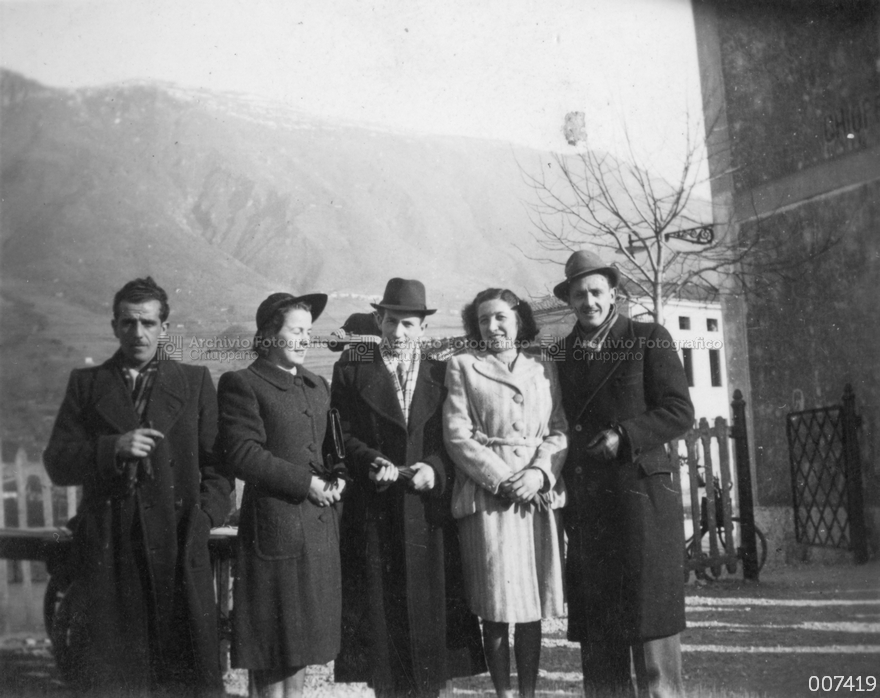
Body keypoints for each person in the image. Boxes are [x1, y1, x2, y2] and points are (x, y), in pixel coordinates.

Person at [43, 276, 232, 697]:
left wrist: (202, 520)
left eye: (148, 322)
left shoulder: (194, 381)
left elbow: (218, 468)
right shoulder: (87, 385)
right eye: (128, 323)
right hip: (112, 551)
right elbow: (57, 462)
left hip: (178, 546)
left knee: (182, 678)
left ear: (165, 327)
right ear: (114, 326)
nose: (138, 333)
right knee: (117, 678)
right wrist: (113, 447)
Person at [331, 277, 485, 698]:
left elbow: (455, 437)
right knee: (385, 631)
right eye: (391, 322)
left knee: (433, 628)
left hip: (429, 516)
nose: (398, 333)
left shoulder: (444, 371)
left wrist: (435, 469)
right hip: (376, 511)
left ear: (423, 328)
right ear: (379, 320)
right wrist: (370, 462)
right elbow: (341, 435)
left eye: (408, 324)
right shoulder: (350, 369)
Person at [552, 250, 694, 698]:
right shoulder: (560, 354)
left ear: (612, 292)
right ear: (570, 301)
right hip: (591, 507)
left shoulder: (648, 337)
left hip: (642, 505)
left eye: (596, 292)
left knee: (652, 636)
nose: (589, 302)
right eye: (579, 295)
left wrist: (624, 435)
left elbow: (678, 411)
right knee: (601, 647)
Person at [215, 292, 346, 698]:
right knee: (273, 649)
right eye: (296, 331)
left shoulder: (316, 385)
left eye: (309, 331)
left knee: (301, 647)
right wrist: (306, 483)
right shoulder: (243, 383)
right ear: (269, 334)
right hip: (274, 534)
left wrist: (339, 476)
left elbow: (333, 449)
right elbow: (242, 453)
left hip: (318, 536)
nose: (305, 339)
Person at [443, 288, 568, 698]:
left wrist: (537, 475)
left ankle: (528, 693)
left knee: (530, 606)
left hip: (536, 497)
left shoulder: (544, 365)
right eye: (483, 320)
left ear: (518, 320)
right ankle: (503, 694)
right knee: (496, 605)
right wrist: (500, 478)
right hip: (490, 500)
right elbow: (457, 436)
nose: (493, 327)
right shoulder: (463, 365)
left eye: (501, 318)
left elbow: (559, 430)